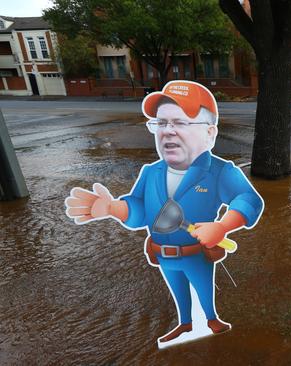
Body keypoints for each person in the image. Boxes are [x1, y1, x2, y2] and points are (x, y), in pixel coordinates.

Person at [64, 80, 264, 345]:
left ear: (210, 133)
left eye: (180, 123)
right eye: (160, 123)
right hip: (162, 254)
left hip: (196, 253)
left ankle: (212, 318)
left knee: (203, 287)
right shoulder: (151, 172)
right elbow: (139, 210)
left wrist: (223, 226)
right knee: (177, 290)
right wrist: (113, 208)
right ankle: (185, 323)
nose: (167, 132)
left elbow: (248, 199)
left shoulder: (220, 170)